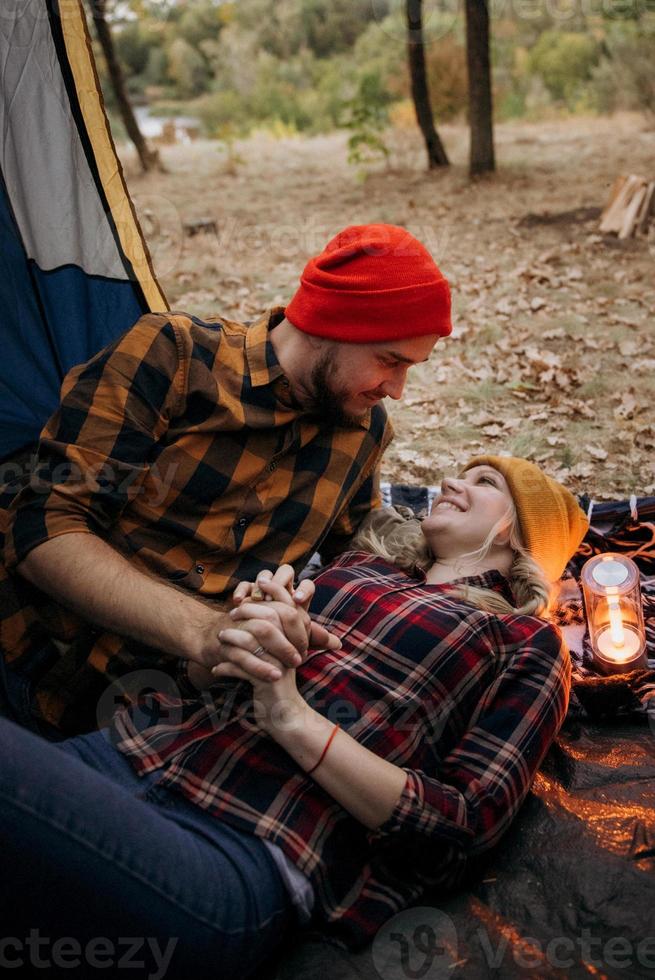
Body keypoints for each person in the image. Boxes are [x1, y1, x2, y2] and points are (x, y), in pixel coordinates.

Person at [0, 454, 589, 980]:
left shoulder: (524, 642)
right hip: (129, 755)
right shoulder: (358, 569)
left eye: (483, 481)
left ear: (520, 529)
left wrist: (293, 717)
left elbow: (462, 824)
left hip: (237, 847)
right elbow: (198, 683)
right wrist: (240, 636)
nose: (449, 481)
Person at [0, 223, 451, 739]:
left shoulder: (363, 431)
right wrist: (204, 630)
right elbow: (43, 528)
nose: (396, 389)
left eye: (410, 366)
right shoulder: (174, 356)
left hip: (140, 718)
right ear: (333, 324)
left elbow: (359, 547)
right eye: (389, 361)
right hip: (24, 652)